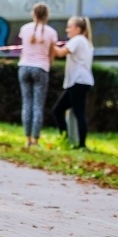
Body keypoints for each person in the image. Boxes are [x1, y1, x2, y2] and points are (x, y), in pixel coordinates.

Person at [17, 3, 57, 147]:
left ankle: (27, 139)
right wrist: (49, 65)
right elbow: (51, 54)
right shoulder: (51, 32)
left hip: (24, 67)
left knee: (26, 103)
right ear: (47, 16)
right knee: (38, 105)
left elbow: (23, 50)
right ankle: (35, 139)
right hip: (40, 68)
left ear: (33, 14)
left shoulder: (25, 29)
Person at [52, 16, 94, 149]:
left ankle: (80, 144)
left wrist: (48, 43)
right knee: (60, 110)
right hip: (80, 81)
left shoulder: (77, 40)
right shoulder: (85, 41)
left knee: (77, 113)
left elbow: (60, 53)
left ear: (78, 28)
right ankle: (68, 140)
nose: (67, 30)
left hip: (78, 81)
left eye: (69, 27)